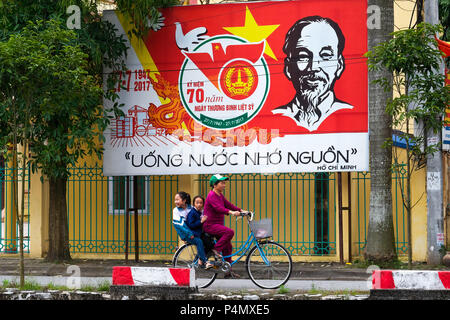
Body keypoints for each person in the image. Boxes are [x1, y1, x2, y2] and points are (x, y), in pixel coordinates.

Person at [272, 16, 353, 132]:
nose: (314, 67)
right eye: (303, 56)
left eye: (325, 55)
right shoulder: (274, 117)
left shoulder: (352, 114)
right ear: (288, 67)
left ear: (339, 65)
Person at [203, 174, 243, 278]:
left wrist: (241, 210)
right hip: (210, 225)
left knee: (228, 247)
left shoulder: (219, 195)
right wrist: (231, 212)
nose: (224, 185)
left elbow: (228, 204)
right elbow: (218, 208)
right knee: (229, 232)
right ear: (214, 185)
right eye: (222, 183)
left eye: (224, 183)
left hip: (217, 225)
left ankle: (228, 272)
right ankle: (215, 249)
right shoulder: (211, 195)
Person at [172, 191, 210, 268]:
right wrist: (189, 234)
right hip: (187, 233)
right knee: (199, 242)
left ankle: (198, 261)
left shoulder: (191, 208)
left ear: (184, 200)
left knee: (207, 241)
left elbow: (199, 214)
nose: (175, 202)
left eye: (177, 199)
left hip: (195, 232)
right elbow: (180, 225)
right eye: (175, 200)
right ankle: (205, 262)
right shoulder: (176, 210)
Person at [186, 195, 215, 264]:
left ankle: (199, 259)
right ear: (194, 204)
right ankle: (203, 261)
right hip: (194, 234)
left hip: (199, 233)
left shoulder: (199, 212)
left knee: (210, 242)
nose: (199, 204)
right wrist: (201, 221)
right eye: (197, 203)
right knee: (201, 243)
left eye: (201, 203)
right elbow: (191, 225)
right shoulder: (192, 213)